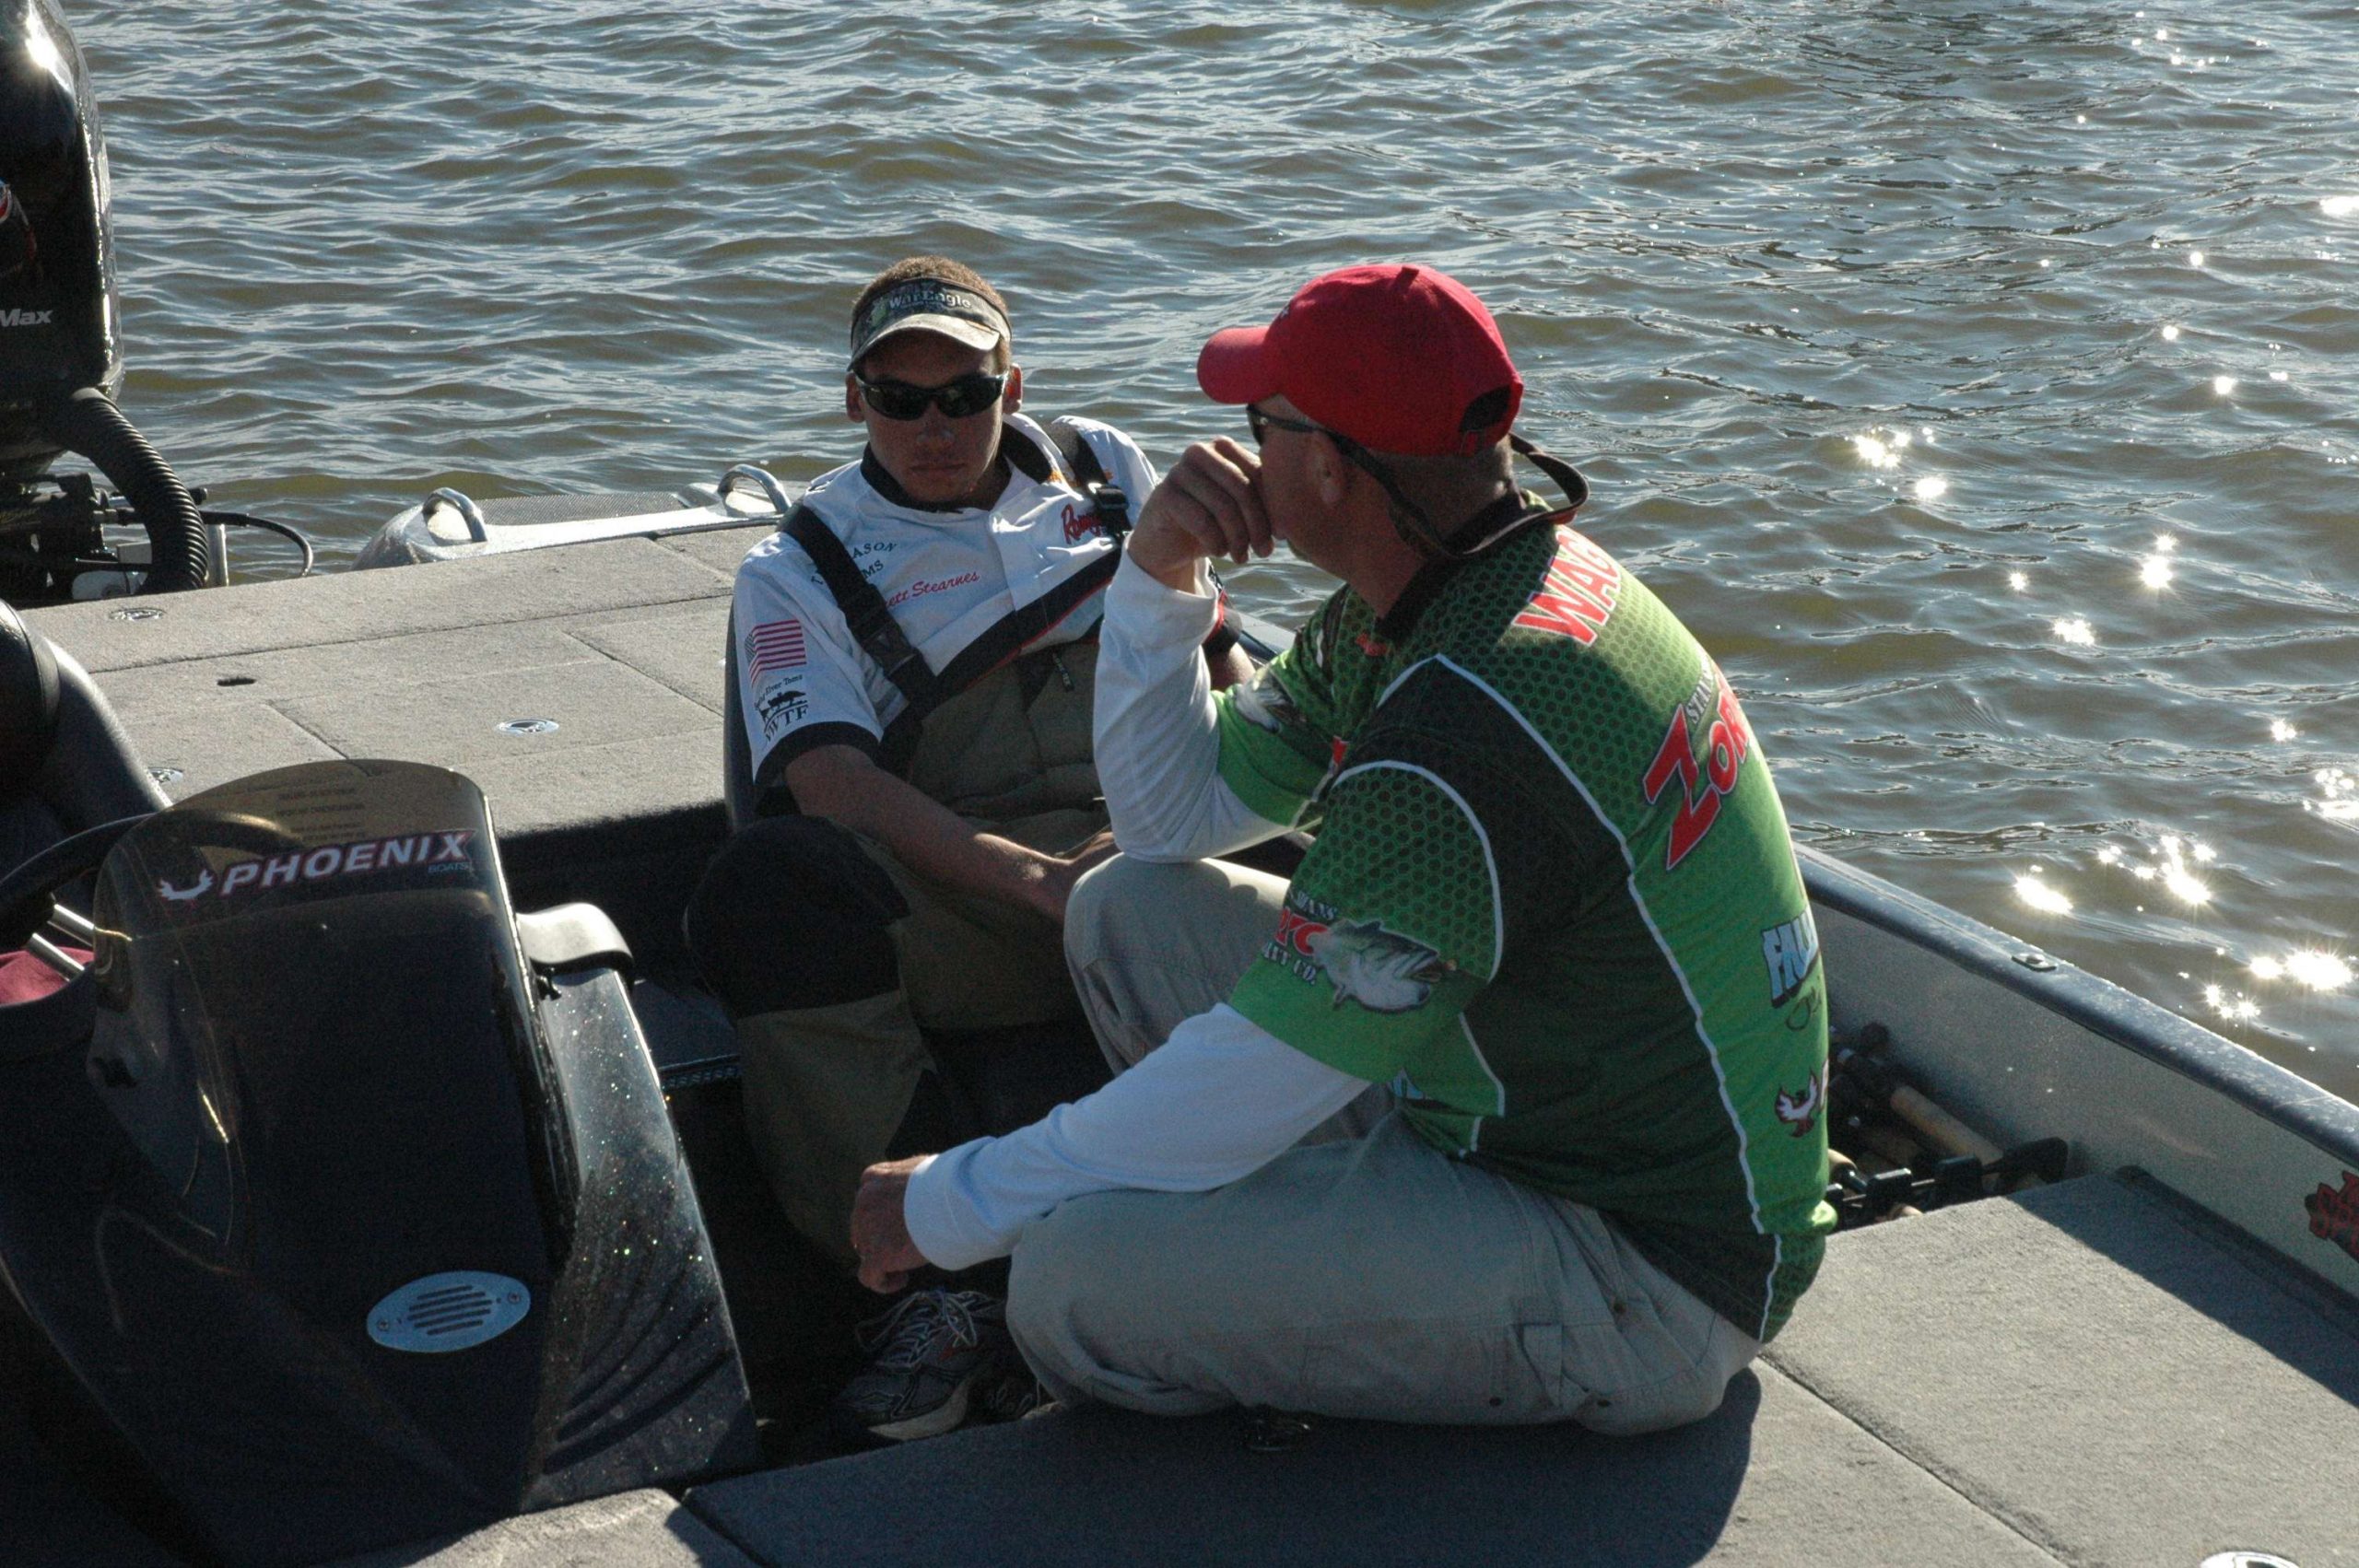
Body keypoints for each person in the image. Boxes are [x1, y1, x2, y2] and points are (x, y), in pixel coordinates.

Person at [851, 263, 1836, 1432]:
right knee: (1128, 906)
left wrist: (953, 1201)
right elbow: (1171, 821)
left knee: (1072, 1280)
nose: (1235, 453)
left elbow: (1264, 1070)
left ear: (1325, 464)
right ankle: (1286, 1280)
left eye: (1261, 426)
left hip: (1644, 1273)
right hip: (1530, 1116)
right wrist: (1159, 576)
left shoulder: (1464, 727)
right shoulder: (1457, 585)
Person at [686, 256, 1244, 1441]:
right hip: (971, 899)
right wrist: (1044, 886)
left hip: (1160, 844)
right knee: (767, 891)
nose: (932, 427)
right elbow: (830, 782)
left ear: (1013, 384)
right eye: (899, 398)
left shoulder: (1107, 468)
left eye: (963, 395)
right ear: (854, 402)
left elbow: (1218, 665)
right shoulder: (796, 566)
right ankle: (924, 1308)